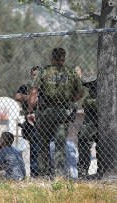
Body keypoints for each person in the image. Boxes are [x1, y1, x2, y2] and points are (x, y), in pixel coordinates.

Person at [27, 47, 85, 179]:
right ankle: (58, 173)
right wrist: (71, 99)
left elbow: (34, 92)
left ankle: (43, 174)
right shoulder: (71, 73)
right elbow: (81, 92)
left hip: (45, 112)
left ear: (52, 58)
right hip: (62, 111)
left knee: (43, 142)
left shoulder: (44, 72)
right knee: (60, 143)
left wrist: (30, 110)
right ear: (64, 58)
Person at [15, 66, 40, 177]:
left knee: (47, 147)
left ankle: (46, 172)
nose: (35, 77)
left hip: (43, 121)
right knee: (34, 147)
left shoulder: (45, 88)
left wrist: (30, 99)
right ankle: (34, 173)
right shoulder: (25, 87)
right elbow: (18, 96)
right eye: (34, 74)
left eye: (38, 75)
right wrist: (30, 98)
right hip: (30, 123)